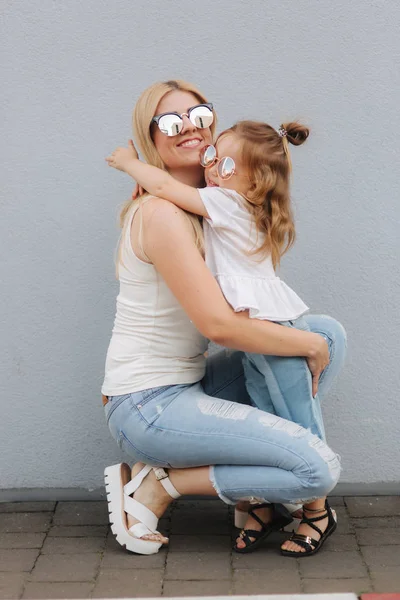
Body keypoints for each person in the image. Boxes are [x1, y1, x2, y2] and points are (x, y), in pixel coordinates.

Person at [102, 79, 346, 558]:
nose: (190, 129)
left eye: (200, 117)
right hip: (148, 404)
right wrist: (307, 348)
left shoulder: (210, 209)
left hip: (189, 385)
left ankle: (259, 498)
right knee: (318, 468)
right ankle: (158, 487)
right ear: (151, 137)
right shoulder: (163, 214)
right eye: (171, 122)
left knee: (324, 332)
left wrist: (310, 343)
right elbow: (220, 328)